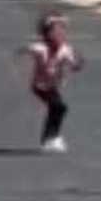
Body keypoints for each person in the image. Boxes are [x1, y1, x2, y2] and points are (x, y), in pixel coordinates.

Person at [17, 12, 84, 153]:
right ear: (46, 35)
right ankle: (51, 138)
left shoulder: (65, 50)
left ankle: (50, 138)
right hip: (40, 86)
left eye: (62, 31)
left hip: (52, 86)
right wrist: (22, 51)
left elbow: (73, 64)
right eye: (54, 32)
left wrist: (77, 64)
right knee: (58, 107)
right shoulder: (40, 48)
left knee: (59, 108)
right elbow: (27, 49)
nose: (59, 35)